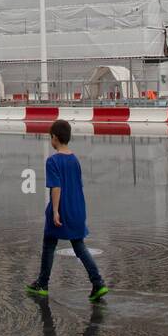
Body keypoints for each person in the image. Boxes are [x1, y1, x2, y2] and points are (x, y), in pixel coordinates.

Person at [25, 119, 108, 301]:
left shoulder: (52, 161)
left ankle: (43, 283)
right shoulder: (75, 160)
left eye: (50, 137)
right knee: (79, 247)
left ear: (54, 137)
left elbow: (56, 188)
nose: (50, 140)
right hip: (77, 207)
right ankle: (98, 283)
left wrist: (55, 211)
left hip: (62, 209)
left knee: (49, 245)